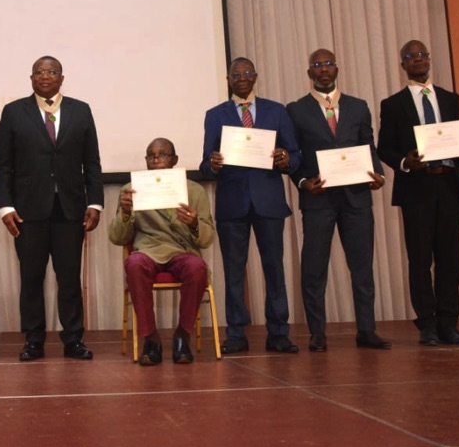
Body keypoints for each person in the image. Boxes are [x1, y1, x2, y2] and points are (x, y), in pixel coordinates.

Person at [0, 56, 103, 361]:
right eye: (40, 72)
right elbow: (4, 166)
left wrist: (94, 202)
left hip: (70, 209)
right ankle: (33, 340)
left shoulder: (80, 110)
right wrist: (5, 207)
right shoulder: (15, 112)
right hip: (28, 211)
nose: (45, 76)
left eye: (51, 72)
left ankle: (73, 339)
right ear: (31, 78)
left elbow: (92, 162)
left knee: (68, 277)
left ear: (61, 78)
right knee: (31, 277)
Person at [286, 49, 391, 352]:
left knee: (362, 267)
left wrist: (378, 173)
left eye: (328, 64)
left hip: (356, 197)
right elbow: (294, 155)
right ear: (310, 73)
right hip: (318, 200)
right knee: (314, 269)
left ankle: (367, 330)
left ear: (337, 69)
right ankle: (317, 333)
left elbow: (368, 145)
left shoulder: (358, 106)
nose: (323, 70)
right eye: (317, 66)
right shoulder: (296, 110)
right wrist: (304, 182)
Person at [377, 40, 459, 346]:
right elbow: (385, 148)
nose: (418, 60)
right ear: (403, 65)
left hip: (449, 184)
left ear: (429, 60)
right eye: (411, 56)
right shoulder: (392, 104)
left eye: (422, 55)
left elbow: (456, 138)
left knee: (449, 258)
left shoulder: (450, 98)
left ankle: (450, 323)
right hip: (416, 189)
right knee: (420, 259)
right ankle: (427, 324)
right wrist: (404, 163)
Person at [199, 57, 301, 355]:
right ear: (228, 79)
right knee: (233, 270)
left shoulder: (276, 111)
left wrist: (286, 160)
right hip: (233, 203)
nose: (242, 78)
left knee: (274, 268)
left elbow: (295, 156)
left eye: (247, 73)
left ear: (255, 76)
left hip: (268, 201)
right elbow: (205, 163)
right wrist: (213, 164)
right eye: (236, 74)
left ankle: (279, 332)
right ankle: (236, 334)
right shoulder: (215, 115)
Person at [109, 138, 215, 365]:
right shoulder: (131, 190)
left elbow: (207, 239)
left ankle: (182, 335)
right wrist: (125, 213)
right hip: (148, 249)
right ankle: (150, 338)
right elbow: (117, 237)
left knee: (197, 267)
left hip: (182, 250)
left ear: (174, 160)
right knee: (134, 263)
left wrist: (194, 224)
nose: (156, 160)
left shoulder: (194, 190)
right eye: (151, 156)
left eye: (163, 155)